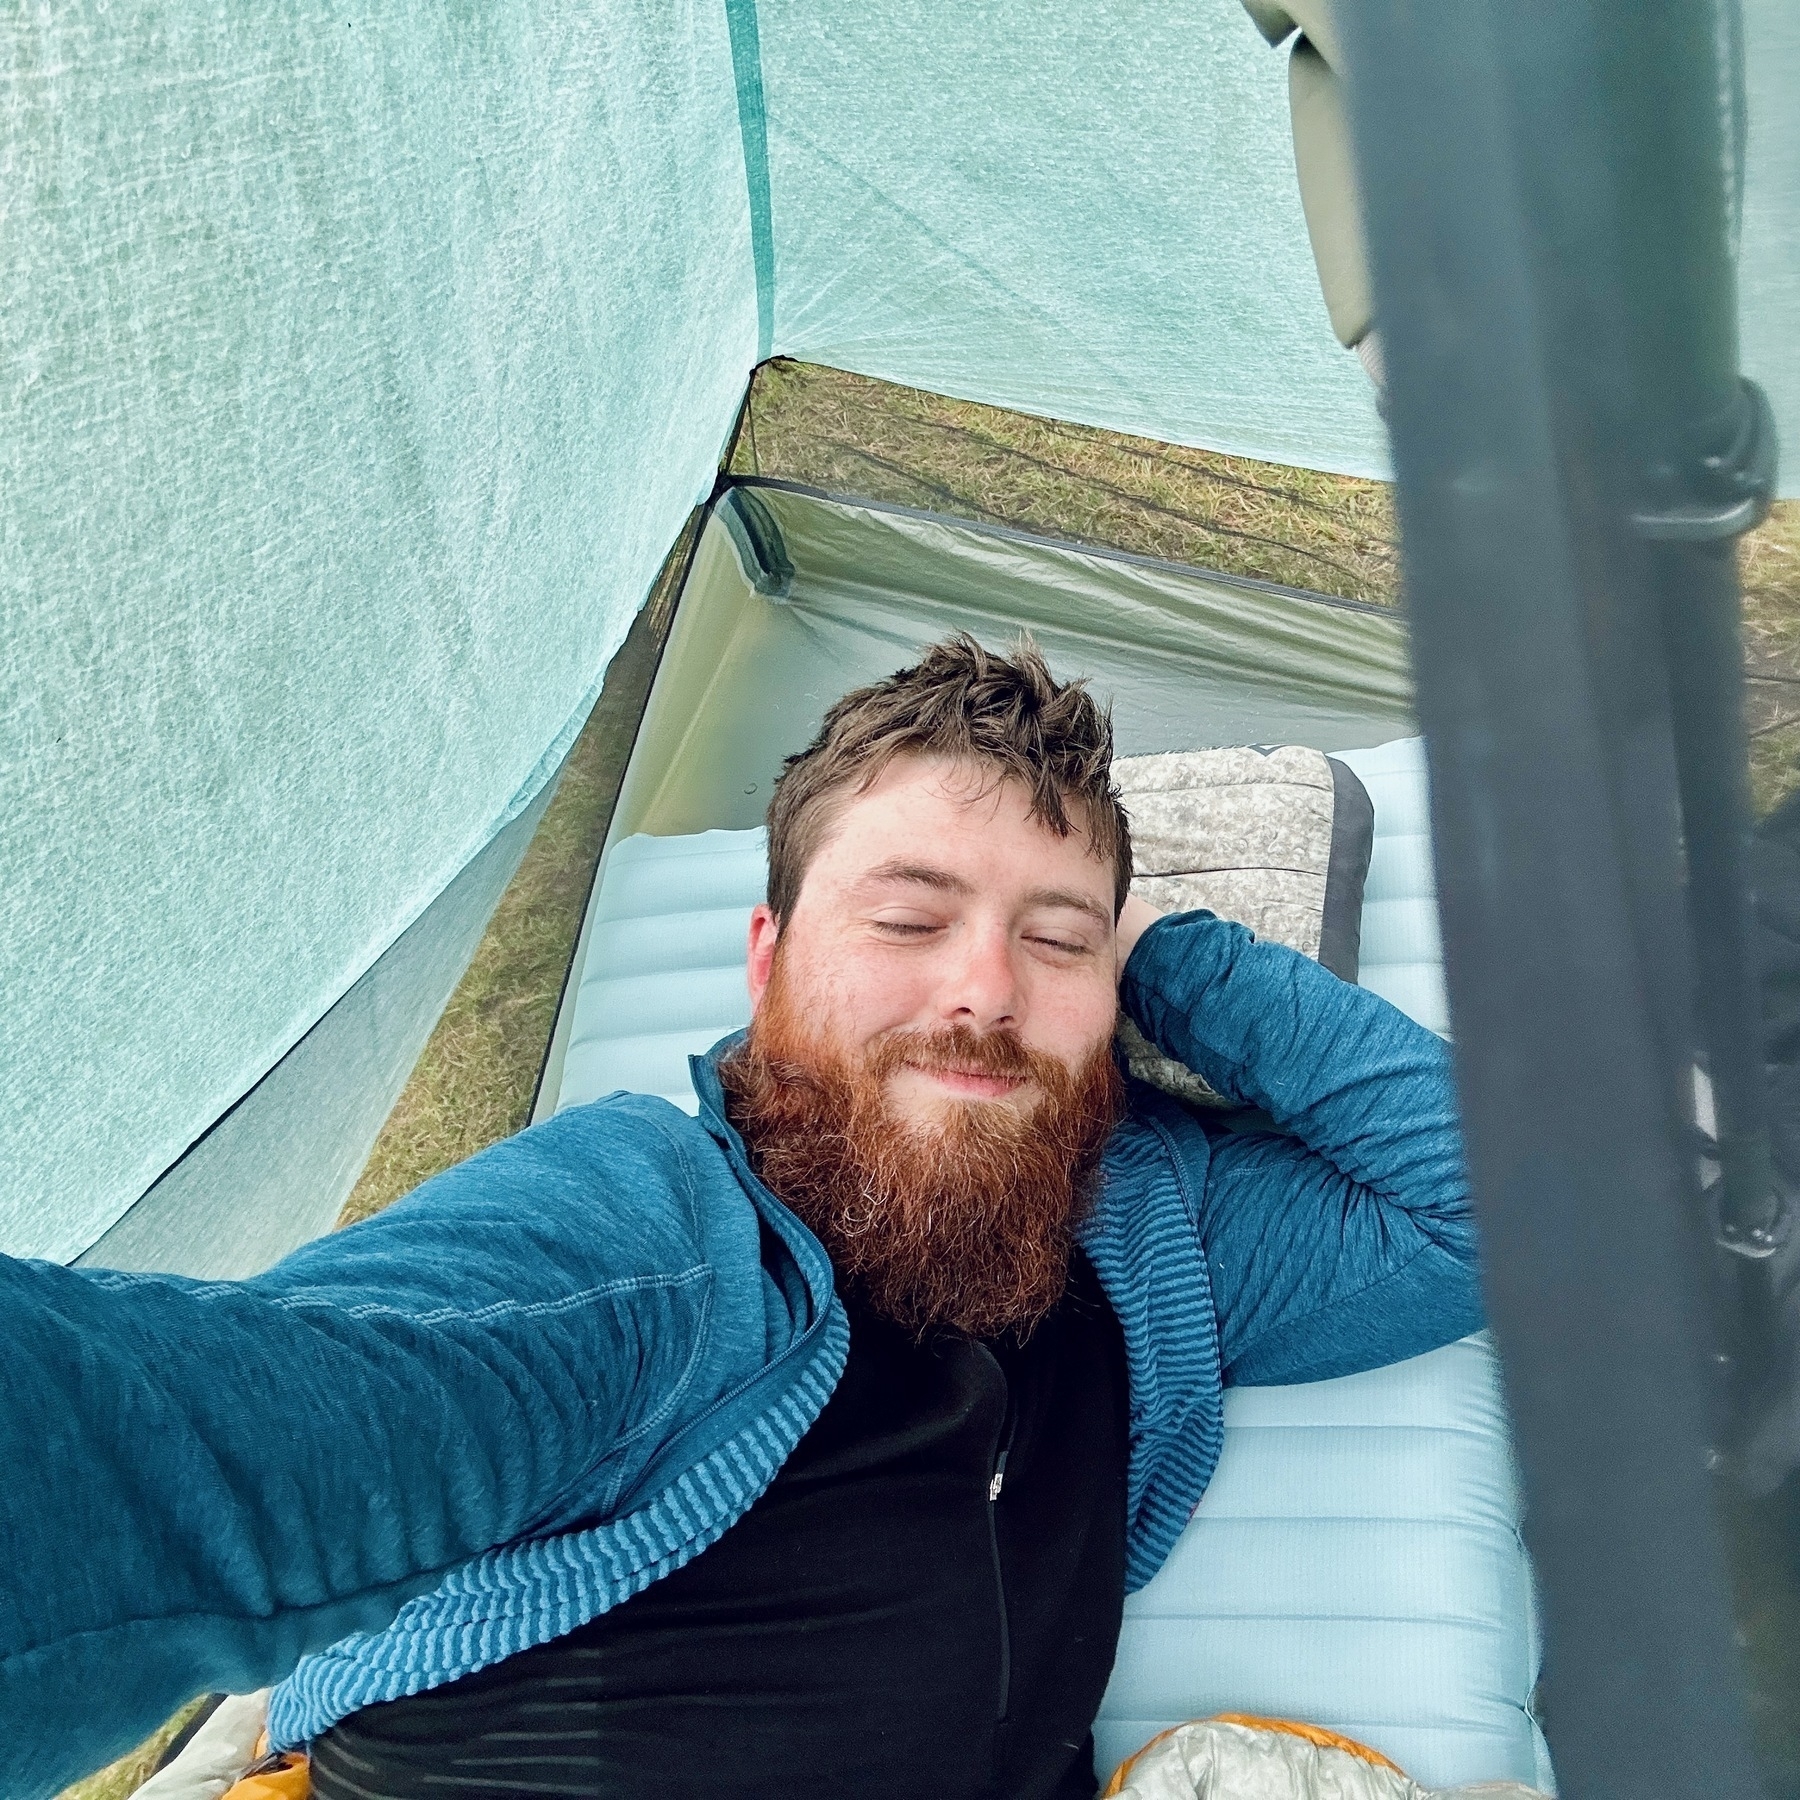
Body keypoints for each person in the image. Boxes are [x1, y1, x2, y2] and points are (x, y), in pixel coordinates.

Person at [0, 637, 1482, 1800]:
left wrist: (1174, 961)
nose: (984, 988)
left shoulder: (1154, 1233)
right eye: (907, 919)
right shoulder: (648, 1232)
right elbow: (199, 1450)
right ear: (766, 963)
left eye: (1057, 938)